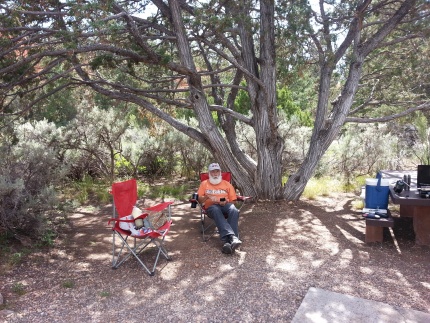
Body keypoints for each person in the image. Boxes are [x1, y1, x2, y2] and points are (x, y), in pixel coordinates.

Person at [197, 163, 242, 254]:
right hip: (211, 207)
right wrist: (207, 197)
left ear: (220, 173)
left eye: (217, 171)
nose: (215, 174)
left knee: (233, 209)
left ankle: (227, 243)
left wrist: (224, 201)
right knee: (215, 209)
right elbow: (199, 199)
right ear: (209, 173)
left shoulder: (227, 184)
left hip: (225, 205)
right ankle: (233, 238)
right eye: (213, 172)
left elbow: (234, 200)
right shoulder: (204, 184)